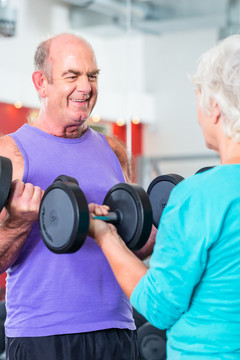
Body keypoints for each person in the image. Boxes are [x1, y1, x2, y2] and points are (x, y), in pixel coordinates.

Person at [0, 32, 152, 360]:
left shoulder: (114, 149)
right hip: (42, 335)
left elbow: (136, 246)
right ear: (41, 83)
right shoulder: (10, 153)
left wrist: (158, 230)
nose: (85, 87)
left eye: (92, 75)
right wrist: (18, 223)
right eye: (72, 76)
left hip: (117, 328)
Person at [88, 34, 240, 359]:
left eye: (198, 99)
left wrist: (104, 235)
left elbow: (158, 306)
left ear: (215, 108)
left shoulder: (198, 197)